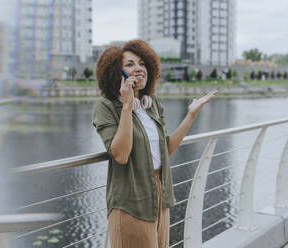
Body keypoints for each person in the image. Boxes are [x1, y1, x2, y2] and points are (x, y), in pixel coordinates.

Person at [92, 39, 217, 248]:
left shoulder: (152, 104)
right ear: (117, 73)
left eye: (142, 63)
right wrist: (126, 106)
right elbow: (121, 155)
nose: (138, 68)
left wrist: (191, 116)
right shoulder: (106, 107)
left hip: (160, 195)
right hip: (131, 200)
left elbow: (165, 150)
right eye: (130, 64)